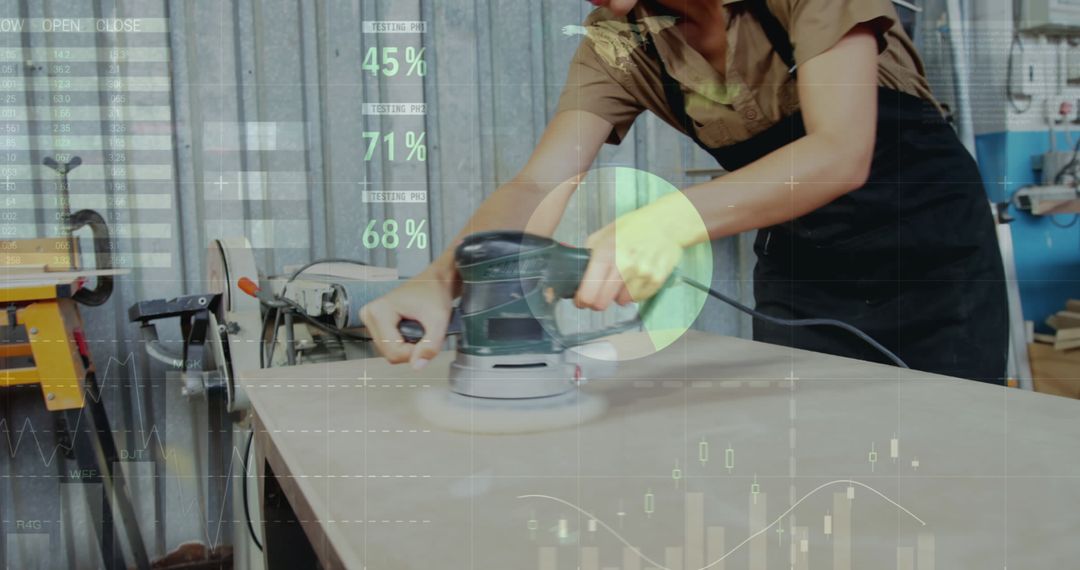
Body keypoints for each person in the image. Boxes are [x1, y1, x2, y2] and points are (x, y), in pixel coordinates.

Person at [361, 0, 1008, 383]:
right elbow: (539, 182)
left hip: (932, 259)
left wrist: (667, 223)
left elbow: (840, 151)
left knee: (941, 466)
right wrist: (441, 278)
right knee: (815, 466)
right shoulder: (617, 40)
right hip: (807, 270)